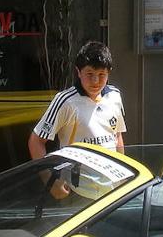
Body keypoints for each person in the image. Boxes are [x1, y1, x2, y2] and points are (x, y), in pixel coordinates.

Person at [29, 41, 126, 200]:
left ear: (109, 73)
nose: (95, 81)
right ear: (78, 72)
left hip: (112, 191)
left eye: (102, 74)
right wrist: (51, 181)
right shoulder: (65, 101)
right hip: (78, 192)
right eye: (89, 74)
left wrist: (124, 176)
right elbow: (36, 141)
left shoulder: (114, 96)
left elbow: (117, 137)